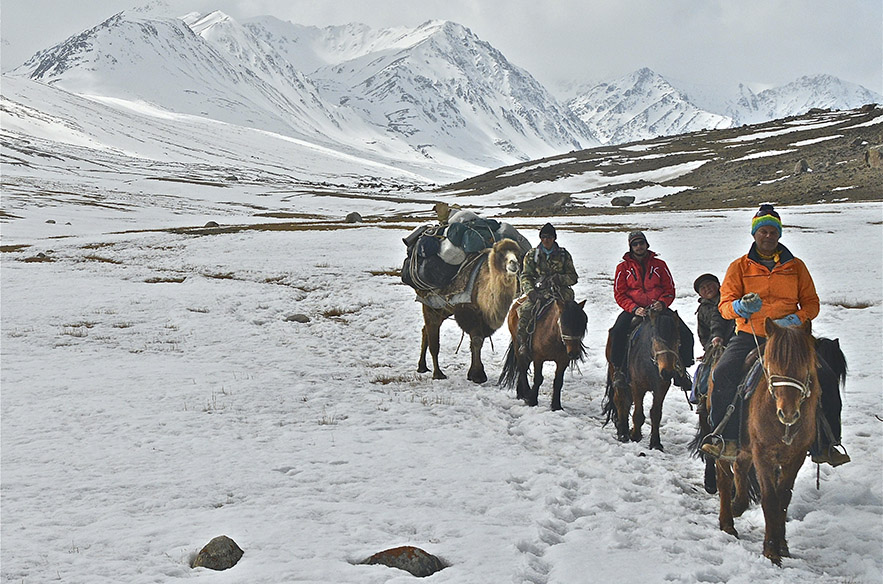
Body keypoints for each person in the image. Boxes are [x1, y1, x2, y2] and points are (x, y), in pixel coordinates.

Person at [699, 204, 849, 466]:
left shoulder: (796, 267)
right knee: (723, 373)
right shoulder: (739, 267)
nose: (768, 236)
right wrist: (739, 307)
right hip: (751, 334)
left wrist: (795, 319)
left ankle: (827, 444)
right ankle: (727, 439)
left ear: (779, 234)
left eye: (773, 232)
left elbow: (812, 303)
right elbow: (724, 307)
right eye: (763, 231)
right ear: (755, 234)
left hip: (790, 336)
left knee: (824, 375)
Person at [608, 231, 694, 390]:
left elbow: (669, 288)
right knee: (617, 332)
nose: (639, 246)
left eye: (641, 243)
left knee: (685, 333)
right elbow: (619, 293)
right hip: (634, 309)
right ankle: (619, 370)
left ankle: (682, 370)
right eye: (635, 244)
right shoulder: (623, 267)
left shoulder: (659, 265)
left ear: (647, 244)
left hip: (658, 309)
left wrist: (662, 303)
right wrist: (634, 308)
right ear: (631, 247)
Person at [516, 223, 578, 357]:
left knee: (575, 316)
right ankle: (523, 343)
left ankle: (574, 344)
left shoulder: (564, 255)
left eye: (549, 237)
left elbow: (573, 277)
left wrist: (559, 279)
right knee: (525, 311)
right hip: (539, 293)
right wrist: (531, 292)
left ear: (554, 238)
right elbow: (526, 276)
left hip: (562, 294)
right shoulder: (532, 255)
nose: (546, 240)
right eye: (543, 237)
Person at [693, 273, 735, 352]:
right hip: (716, 345)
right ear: (699, 294)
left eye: (709, 285)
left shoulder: (730, 298)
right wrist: (708, 348)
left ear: (718, 285)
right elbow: (703, 334)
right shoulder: (702, 311)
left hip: (735, 338)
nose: (707, 289)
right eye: (703, 288)